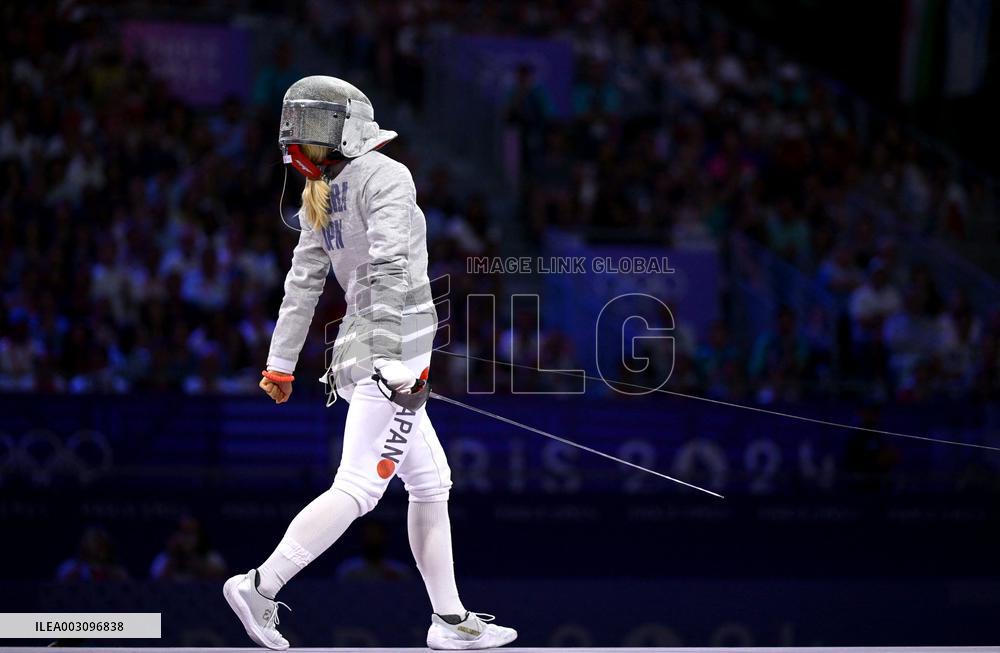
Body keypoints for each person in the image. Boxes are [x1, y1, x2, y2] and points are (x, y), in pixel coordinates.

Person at [223, 76, 516, 651]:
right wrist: (390, 356)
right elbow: (388, 266)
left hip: (364, 348)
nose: (302, 139)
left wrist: (280, 364)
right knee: (359, 486)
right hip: (393, 347)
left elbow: (302, 286)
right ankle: (261, 585)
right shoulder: (386, 174)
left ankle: (450, 620)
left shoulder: (325, 191)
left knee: (431, 481)